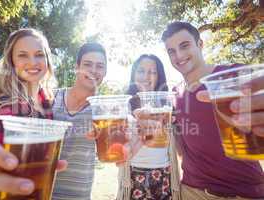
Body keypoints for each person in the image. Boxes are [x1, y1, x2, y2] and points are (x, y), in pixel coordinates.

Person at [134, 21, 264, 199]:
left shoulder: (233, 75)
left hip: (246, 192)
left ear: (200, 44)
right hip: (192, 191)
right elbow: (181, 148)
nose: (178, 55)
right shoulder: (173, 95)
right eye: (171, 51)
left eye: (184, 46)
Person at [0, 28, 68, 199]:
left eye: (39, 54)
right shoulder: (7, 105)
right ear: (11, 62)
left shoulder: (46, 100)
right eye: (22, 55)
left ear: (47, 60)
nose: (32, 61)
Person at [52, 42, 107, 200]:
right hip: (42, 193)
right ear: (77, 67)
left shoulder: (103, 110)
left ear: (105, 71)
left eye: (100, 66)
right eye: (87, 64)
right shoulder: (51, 98)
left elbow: (125, 125)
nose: (94, 71)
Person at [117, 54, 172, 200]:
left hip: (163, 172)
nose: (146, 76)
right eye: (141, 71)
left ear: (158, 77)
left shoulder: (167, 105)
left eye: (153, 72)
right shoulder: (124, 105)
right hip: (133, 174)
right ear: (134, 74)